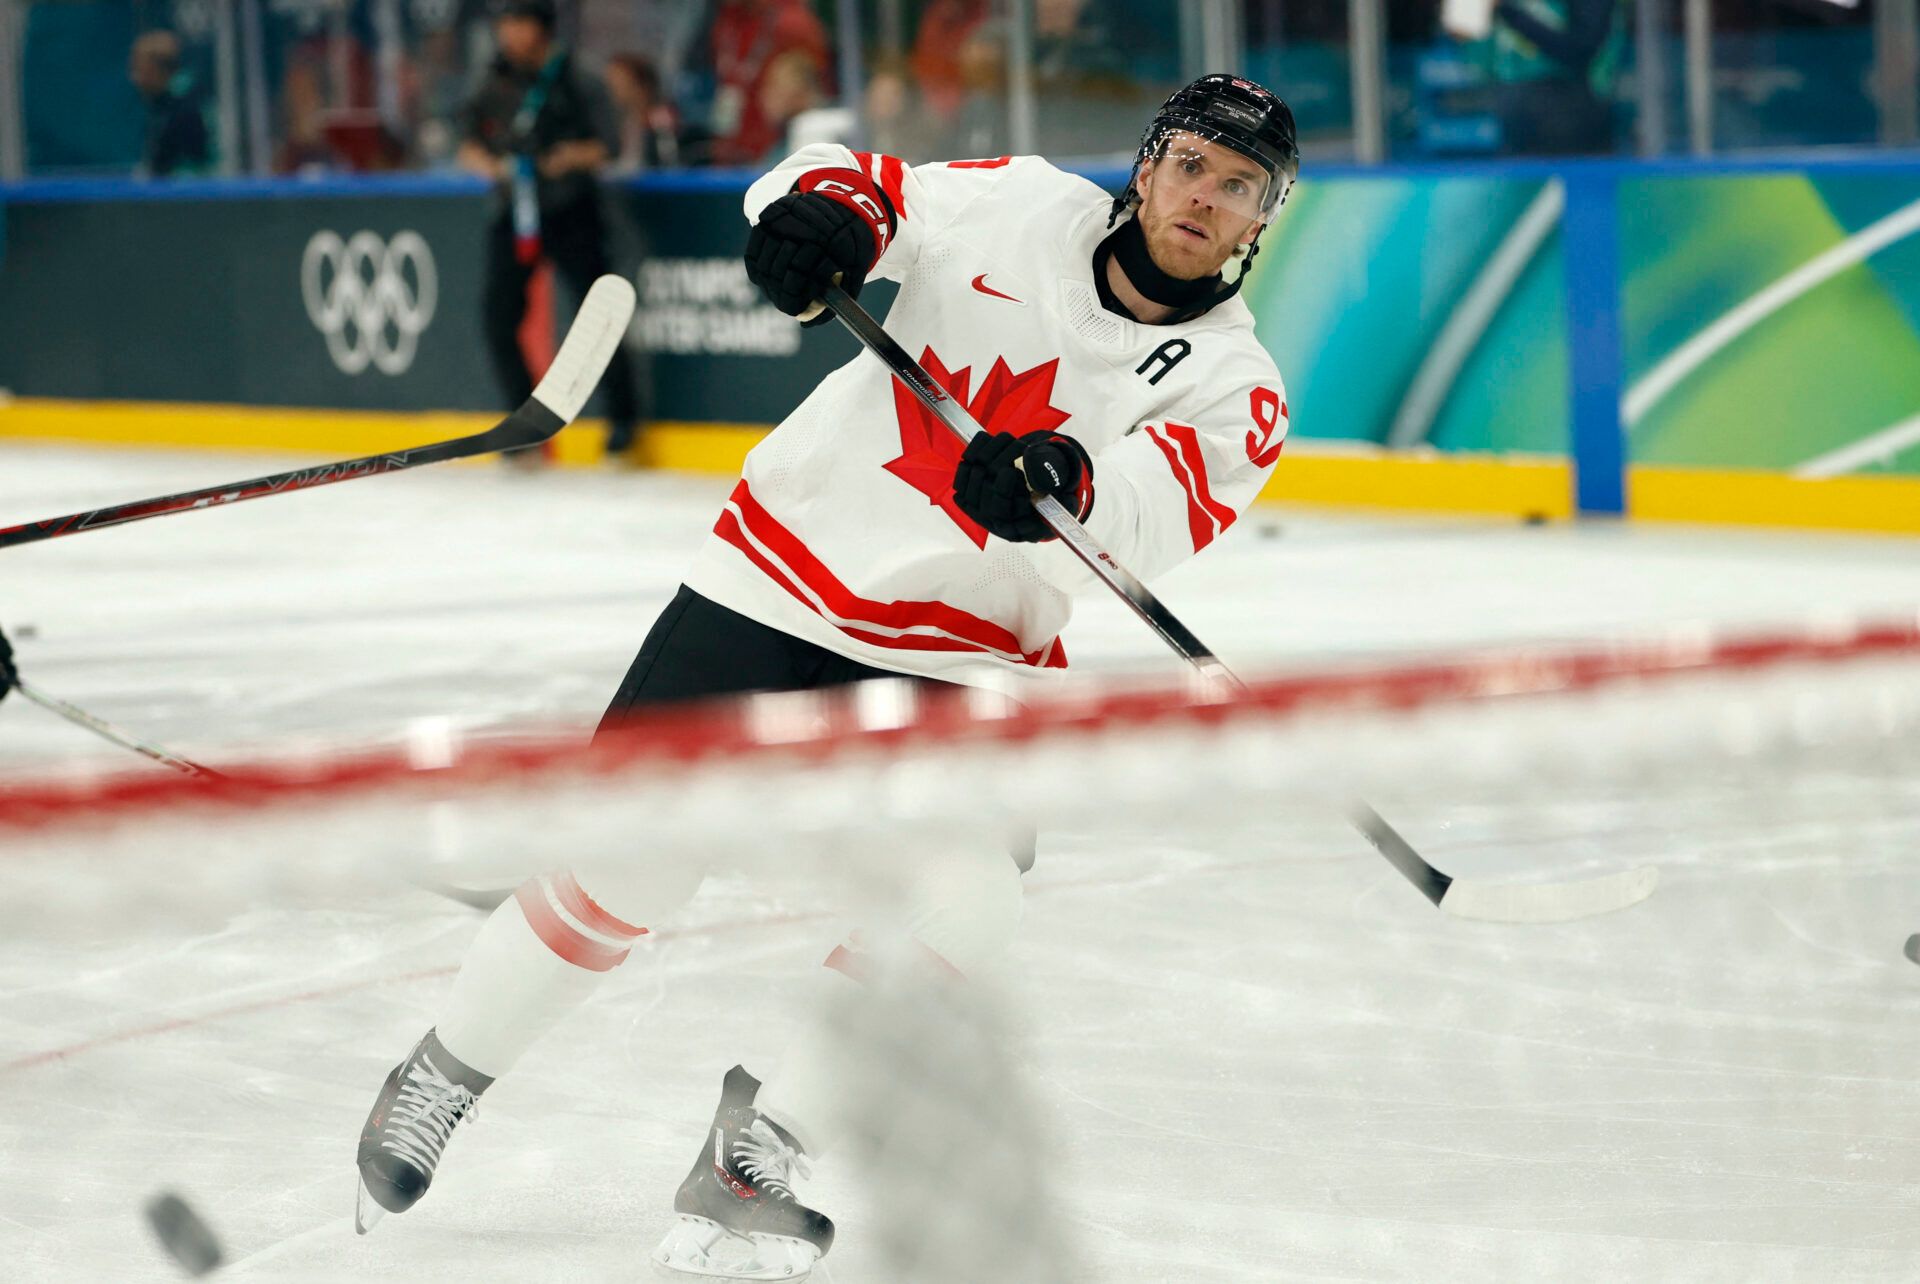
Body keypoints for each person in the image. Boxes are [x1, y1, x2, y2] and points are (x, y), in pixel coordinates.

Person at [354, 73, 1297, 1278]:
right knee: (633, 860)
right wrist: (827, 220)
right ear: (1149, 165)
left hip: (962, 651)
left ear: (1261, 217)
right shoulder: (1023, 204)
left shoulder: (1235, 385)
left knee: (969, 900)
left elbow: (1155, 516)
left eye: (1239, 186)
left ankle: (759, 1149)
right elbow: (859, 188)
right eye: (1192, 166)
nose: (1206, 198)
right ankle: (444, 1070)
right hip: (782, 571)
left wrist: (1071, 490)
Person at [459, 0, 643, 459]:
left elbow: (609, 144)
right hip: (513, 212)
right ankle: (523, 427)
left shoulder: (579, 78)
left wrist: (567, 158)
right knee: (498, 317)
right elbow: (468, 143)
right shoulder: (493, 79)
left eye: (518, 23)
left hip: (571, 209)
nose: (508, 34)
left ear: (541, 28)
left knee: (595, 314)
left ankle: (623, 424)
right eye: (504, 24)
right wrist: (492, 166)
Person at [706, 0, 831, 166]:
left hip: (776, 147)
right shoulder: (726, 20)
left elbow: (805, 79)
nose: (765, 95)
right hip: (739, 149)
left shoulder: (792, 24)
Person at [129, 31, 210, 178]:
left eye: (139, 69)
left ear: (157, 70)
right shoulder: (161, 106)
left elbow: (196, 168)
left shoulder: (185, 109)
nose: (134, 78)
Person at [603, 52, 681, 174]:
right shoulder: (627, 123)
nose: (612, 88)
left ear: (639, 85)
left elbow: (668, 164)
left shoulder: (660, 119)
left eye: (619, 81)